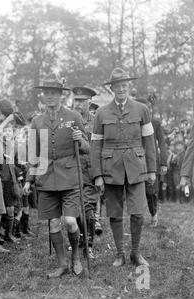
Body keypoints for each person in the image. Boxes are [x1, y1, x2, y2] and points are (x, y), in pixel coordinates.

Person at [23, 74, 90, 278]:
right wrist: (28, 180)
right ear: (43, 96)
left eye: (54, 93)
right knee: (53, 223)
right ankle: (62, 264)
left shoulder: (73, 117)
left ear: (61, 95)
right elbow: (34, 154)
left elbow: (87, 148)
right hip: (45, 179)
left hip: (70, 177)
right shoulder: (37, 121)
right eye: (47, 93)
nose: (50, 97)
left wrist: (79, 140)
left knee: (70, 221)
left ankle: (76, 257)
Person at [90, 68, 157, 267]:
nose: (121, 89)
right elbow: (96, 146)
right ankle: (120, 253)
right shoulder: (101, 113)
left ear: (129, 87)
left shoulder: (142, 109)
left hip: (136, 167)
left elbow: (149, 141)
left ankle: (135, 253)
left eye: (124, 86)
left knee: (137, 213)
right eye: (117, 86)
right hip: (111, 169)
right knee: (115, 213)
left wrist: (151, 169)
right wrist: (98, 175)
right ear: (112, 89)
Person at [72, 86, 103, 259]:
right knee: (76, 208)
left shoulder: (96, 122)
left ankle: (88, 245)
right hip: (73, 169)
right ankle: (79, 240)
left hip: (91, 169)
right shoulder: (69, 120)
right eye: (76, 100)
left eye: (82, 101)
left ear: (89, 102)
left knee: (89, 208)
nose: (78, 104)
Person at [135, 97, 168, 227]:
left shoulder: (155, 123)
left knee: (151, 192)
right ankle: (138, 217)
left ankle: (154, 214)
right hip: (136, 162)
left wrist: (164, 163)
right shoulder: (132, 123)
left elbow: (162, 144)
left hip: (151, 162)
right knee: (137, 191)